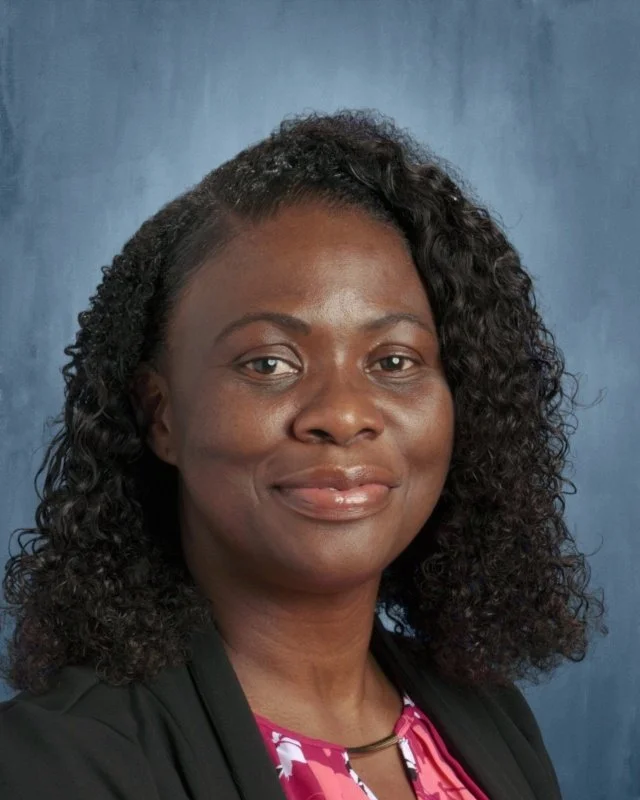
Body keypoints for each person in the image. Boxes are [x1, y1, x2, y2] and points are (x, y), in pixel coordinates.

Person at [0, 110, 606, 800]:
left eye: (394, 360)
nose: (343, 415)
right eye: (268, 363)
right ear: (160, 416)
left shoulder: (493, 717)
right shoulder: (54, 764)